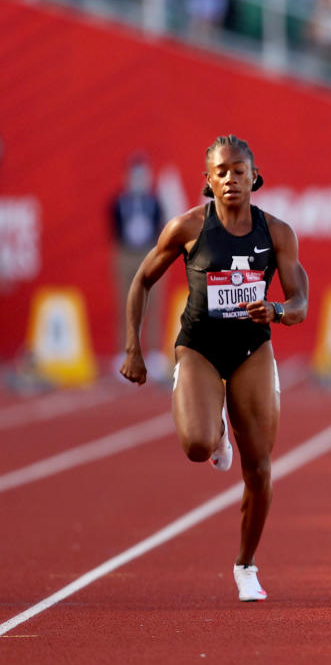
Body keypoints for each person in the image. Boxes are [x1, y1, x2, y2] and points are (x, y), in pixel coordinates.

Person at [120, 135, 309, 602]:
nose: (230, 179)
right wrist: (133, 349)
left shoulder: (278, 233)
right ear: (208, 180)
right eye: (220, 172)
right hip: (200, 347)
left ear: (254, 176)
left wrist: (279, 311)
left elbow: (301, 300)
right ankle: (216, 430)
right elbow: (142, 279)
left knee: (260, 466)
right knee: (198, 444)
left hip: (251, 350)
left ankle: (246, 565)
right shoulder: (187, 228)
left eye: (238, 170)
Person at [111, 155, 164, 361]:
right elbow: (115, 230)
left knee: (153, 303)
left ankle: (153, 353)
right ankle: (125, 353)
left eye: (143, 176)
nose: (139, 181)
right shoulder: (119, 202)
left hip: (148, 253)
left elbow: (159, 227)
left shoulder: (155, 202)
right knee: (126, 304)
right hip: (126, 253)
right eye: (135, 176)